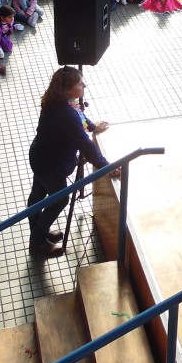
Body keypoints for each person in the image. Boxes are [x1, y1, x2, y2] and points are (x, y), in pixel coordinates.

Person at [27, 67, 112, 258]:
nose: (84, 86)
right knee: (60, 199)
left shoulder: (58, 101)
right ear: (67, 90)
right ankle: (37, 242)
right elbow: (85, 144)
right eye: (80, 84)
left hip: (40, 156)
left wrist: (92, 126)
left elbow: (79, 117)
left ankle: (38, 230)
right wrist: (107, 166)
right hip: (50, 165)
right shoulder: (65, 113)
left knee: (37, 196)